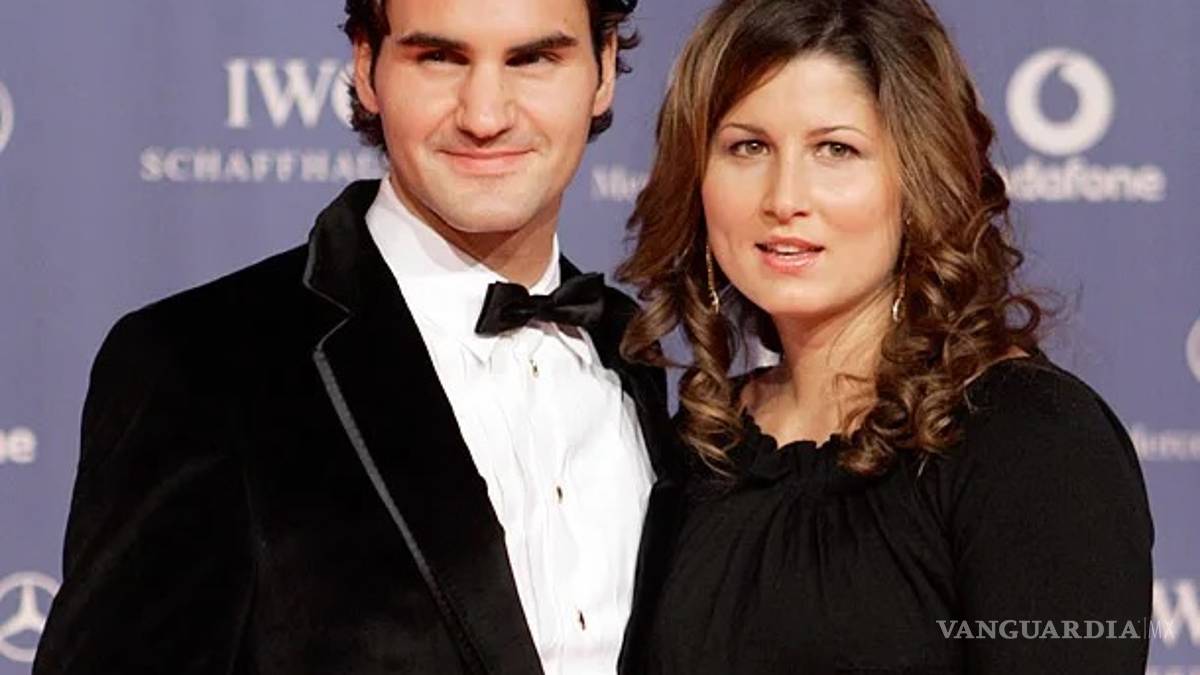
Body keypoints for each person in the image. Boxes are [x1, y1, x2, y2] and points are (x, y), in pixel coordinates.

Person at [33, 1, 683, 673]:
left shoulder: (634, 354)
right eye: (439, 58)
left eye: (534, 59)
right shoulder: (199, 364)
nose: (485, 116)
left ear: (604, 69)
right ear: (367, 67)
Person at [617, 0, 1154, 672]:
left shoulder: (1029, 438)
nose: (784, 197)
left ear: (918, 177)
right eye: (748, 147)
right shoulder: (701, 448)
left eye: (836, 149)